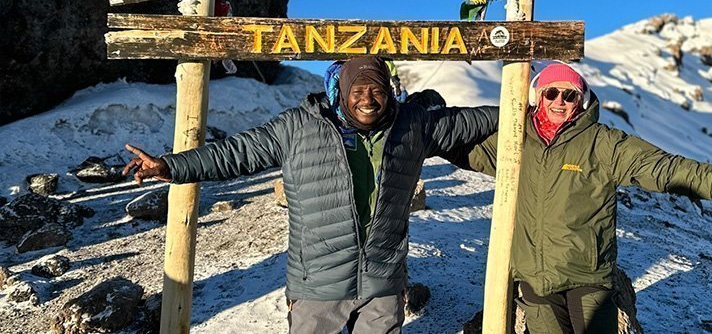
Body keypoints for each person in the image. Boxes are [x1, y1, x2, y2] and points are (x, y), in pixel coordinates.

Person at [123, 56, 498, 333]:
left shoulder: (412, 125)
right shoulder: (298, 127)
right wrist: (171, 166)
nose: (368, 99)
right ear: (342, 92)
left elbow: (471, 121)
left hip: (383, 283)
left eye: (377, 90)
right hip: (318, 285)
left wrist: (525, 110)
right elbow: (236, 153)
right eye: (358, 91)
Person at [462, 62, 712, 333]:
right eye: (551, 92)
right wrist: (431, 132)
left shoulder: (601, 143)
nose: (559, 101)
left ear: (581, 101)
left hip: (586, 279)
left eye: (569, 94)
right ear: (538, 96)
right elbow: (462, 146)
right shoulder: (514, 142)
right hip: (536, 285)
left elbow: (660, 167)